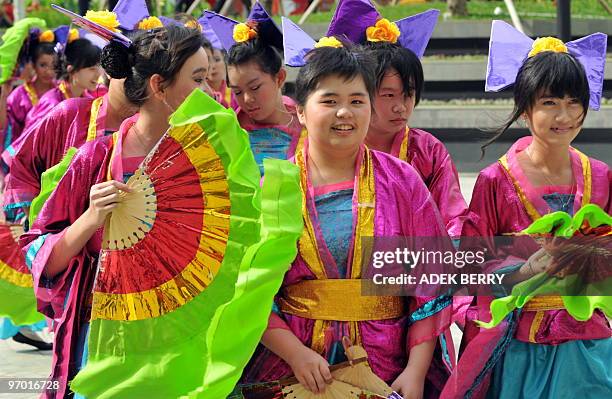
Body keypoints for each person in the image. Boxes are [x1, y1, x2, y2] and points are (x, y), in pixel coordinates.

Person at [243, 27, 453, 399]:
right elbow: (251, 292)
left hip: (386, 366)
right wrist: (296, 355)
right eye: (329, 101)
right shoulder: (273, 187)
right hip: (299, 373)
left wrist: (416, 370)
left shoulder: (401, 180)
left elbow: (430, 280)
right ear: (302, 111)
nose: (345, 112)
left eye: (357, 100)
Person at [20, 24, 209, 398]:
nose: (211, 92)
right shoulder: (97, 158)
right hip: (107, 341)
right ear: (159, 85)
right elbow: (41, 259)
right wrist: (91, 218)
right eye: (199, 79)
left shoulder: (207, 161)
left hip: (186, 340)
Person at [442, 21, 611, 398]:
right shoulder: (495, 181)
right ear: (524, 111)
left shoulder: (601, 177)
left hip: (589, 345)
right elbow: (470, 269)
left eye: (573, 103)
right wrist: (521, 268)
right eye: (549, 103)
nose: (563, 116)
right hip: (520, 344)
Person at [205, 2, 302, 174]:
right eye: (238, 92)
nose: (247, 99)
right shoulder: (231, 131)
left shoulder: (307, 125)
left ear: (279, 77)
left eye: (255, 87)